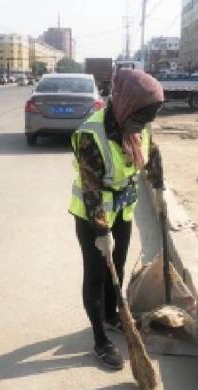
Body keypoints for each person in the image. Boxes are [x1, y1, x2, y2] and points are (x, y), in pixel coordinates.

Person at [69, 69, 166, 370]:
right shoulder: (91, 134)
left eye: (149, 118)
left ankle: (112, 316)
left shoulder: (137, 126)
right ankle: (100, 340)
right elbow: (91, 187)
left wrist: (160, 189)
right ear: (125, 105)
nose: (145, 125)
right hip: (93, 216)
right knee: (97, 275)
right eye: (141, 117)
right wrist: (101, 231)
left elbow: (153, 152)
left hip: (122, 210)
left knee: (118, 268)